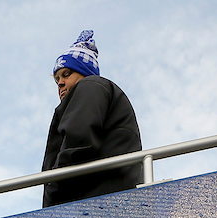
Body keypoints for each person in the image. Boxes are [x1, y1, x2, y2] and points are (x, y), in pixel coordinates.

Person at [41, 30, 142, 208]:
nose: (60, 83)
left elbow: (78, 141)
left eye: (67, 74)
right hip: (105, 203)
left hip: (94, 203)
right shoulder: (97, 93)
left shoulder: (90, 86)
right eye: (57, 79)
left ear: (85, 73)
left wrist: (53, 189)